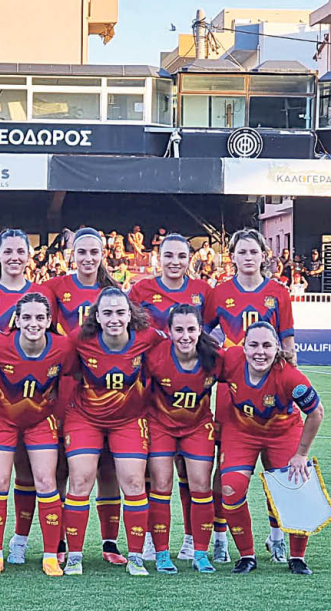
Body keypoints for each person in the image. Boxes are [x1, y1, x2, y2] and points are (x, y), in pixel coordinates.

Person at [203, 228, 295, 562]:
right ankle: (220, 536)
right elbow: (202, 334)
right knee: (224, 469)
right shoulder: (220, 292)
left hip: (270, 388)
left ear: (262, 255)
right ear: (233, 257)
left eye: (253, 252)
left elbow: (287, 345)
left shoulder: (278, 293)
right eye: (241, 252)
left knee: (276, 468)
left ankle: (276, 537)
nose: (248, 258)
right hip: (231, 391)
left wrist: (288, 382)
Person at [62, 288, 163, 577]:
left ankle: (135, 557)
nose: (114, 318)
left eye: (120, 312)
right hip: (84, 419)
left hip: (129, 420)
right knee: (80, 480)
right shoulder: (79, 340)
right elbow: (57, 361)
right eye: (107, 313)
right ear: (97, 316)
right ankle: (74, 556)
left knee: (133, 482)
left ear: (130, 314)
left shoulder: (148, 338)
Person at [43, 227, 127, 564]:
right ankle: (62, 542)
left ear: (103, 254)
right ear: (70, 255)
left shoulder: (114, 292)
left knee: (108, 468)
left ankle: (109, 544)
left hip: (106, 391)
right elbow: (24, 308)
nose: (88, 258)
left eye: (95, 252)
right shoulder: (53, 288)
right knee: (66, 467)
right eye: (82, 252)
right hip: (64, 388)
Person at [127, 234, 214, 561]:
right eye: (169, 255)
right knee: (156, 475)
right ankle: (152, 538)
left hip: (191, 392)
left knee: (191, 475)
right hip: (152, 387)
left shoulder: (203, 291)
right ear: (157, 257)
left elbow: (214, 336)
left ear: (189, 258)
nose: (175, 261)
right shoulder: (141, 290)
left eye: (181, 255)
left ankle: (193, 538)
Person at [0, 293, 76, 576]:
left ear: (48, 321)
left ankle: (49, 557)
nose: (33, 323)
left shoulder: (62, 347)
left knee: (46, 482)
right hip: (1, 419)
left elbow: (71, 376)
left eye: (39, 318)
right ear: (17, 320)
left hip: (40, 420)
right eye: (27, 318)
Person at [217, 322, 324, 575]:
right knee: (231, 488)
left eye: (267, 345)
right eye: (253, 345)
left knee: (296, 487)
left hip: (282, 433)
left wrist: (301, 454)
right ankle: (246, 556)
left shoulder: (290, 376)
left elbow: (317, 413)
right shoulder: (229, 360)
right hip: (241, 431)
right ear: (243, 347)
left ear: (277, 348)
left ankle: (297, 557)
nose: (259, 352)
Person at [143, 304, 221, 575]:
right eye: (179, 330)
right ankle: (162, 553)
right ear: (169, 331)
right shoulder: (154, 357)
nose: (185, 336)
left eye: (191, 329)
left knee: (200, 486)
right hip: (160, 425)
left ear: (200, 330)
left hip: (197, 427)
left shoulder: (215, 358)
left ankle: (200, 553)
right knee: (161, 485)